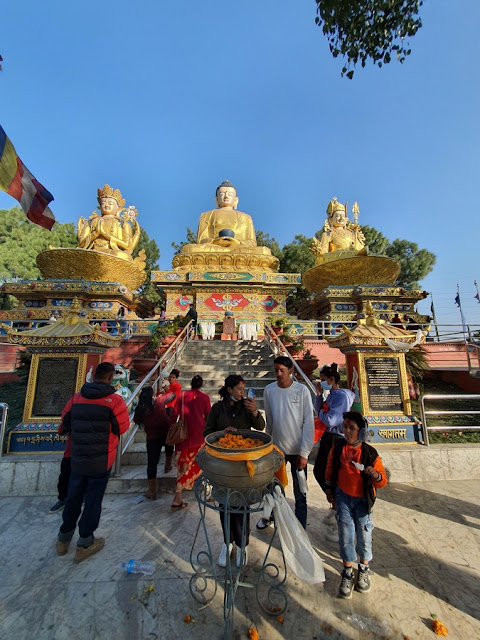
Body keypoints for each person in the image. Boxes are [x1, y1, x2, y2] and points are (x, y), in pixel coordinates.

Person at [56, 362, 130, 562]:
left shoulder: (76, 399)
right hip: (101, 460)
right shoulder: (114, 401)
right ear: (109, 378)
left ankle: (63, 539)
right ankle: (85, 542)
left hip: (77, 458)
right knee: (92, 501)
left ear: (93, 376)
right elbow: (122, 428)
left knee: (73, 497)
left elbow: (63, 425)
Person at [324, 411, 387, 599]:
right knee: (345, 533)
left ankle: (364, 568)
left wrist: (374, 475)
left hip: (363, 501)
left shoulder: (370, 454)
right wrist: (330, 491)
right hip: (343, 497)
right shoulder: (338, 447)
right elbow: (329, 468)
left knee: (364, 534)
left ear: (361, 432)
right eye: (345, 427)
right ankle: (347, 570)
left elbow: (382, 481)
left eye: (352, 428)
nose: (347, 431)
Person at [204, 374, 265, 567]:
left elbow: (260, 427)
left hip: (242, 465)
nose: (242, 393)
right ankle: (227, 543)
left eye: (243, 389)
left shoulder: (247, 407)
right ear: (229, 390)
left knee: (242, 506)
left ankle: (242, 545)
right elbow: (207, 433)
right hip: (223, 465)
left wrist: (255, 412)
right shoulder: (217, 409)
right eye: (239, 389)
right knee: (224, 505)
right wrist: (223, 434)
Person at [257, 356, 314, 531]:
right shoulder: (269, 390)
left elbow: (308, 422)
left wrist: (305, 452)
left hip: (298, 451)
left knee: (300, 491)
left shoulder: (302, 390)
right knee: (273, 488)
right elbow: (270, 419)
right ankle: (270, 516)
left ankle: (300, 526)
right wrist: (269, 444)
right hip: (277, 449)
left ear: (291, 371)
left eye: (282, 370)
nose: (279, 374)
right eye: (276, 370)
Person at [313, 363, 355, 539]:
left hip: (337, 439)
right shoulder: (330, 395)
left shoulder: (342, 397)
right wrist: (318, 396)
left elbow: (330, 419)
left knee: (332, 476)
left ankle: (342, 518)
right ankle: (335, 505)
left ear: (332, 380)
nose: (321, 383)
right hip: (327, 438)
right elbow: (319, 410)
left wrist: (322, 414)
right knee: (320, 472)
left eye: (323, 381)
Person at [170, 375, 211, 511]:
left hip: (183, 436)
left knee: (183, 466)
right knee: (201, 464)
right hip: (199, 436)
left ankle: (178, 496)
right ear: (201, 385)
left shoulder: (181, 396)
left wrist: (171, 428)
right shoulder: (205, 398)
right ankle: (206, 491)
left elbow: (174, 414)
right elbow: (208, 416)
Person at [134, 386, 175, 501]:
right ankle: (168, 465)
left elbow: (137, 420)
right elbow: (173, 395)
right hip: (165, 432)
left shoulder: (141, 408)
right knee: (169, 447)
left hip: (152, 436)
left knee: (152, 463)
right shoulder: (159, 400)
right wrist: (166, 390)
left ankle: (152, 491)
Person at [48, 434, 71, 514]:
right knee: (65, 476)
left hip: (89, 451)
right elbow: (62, 430)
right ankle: (63, 498)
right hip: (72, 450)